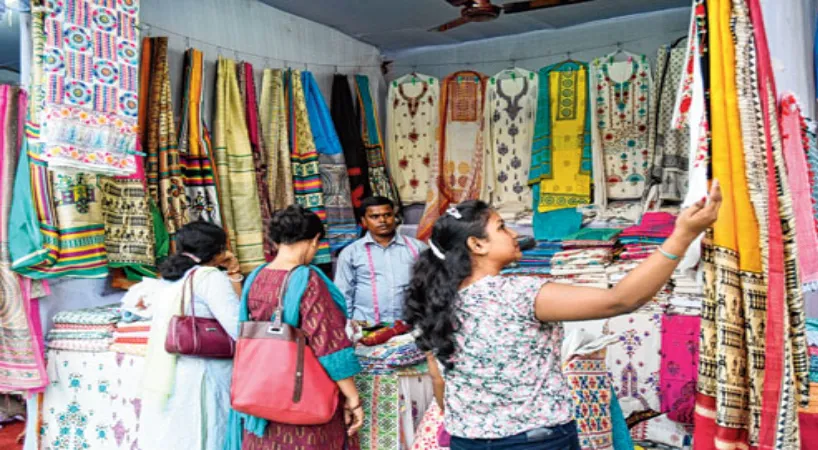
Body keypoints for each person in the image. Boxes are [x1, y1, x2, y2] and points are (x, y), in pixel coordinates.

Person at [405, 182, 723, 450]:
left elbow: (439, 380)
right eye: (501, 227)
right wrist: (682, 236)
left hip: (467, 441)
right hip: (535, 442)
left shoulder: (432, 304)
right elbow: (620, 300)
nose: (513, 233)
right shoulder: (518, 294)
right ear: (477, 245)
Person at [234, 205, 364, 450]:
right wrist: (353, 397)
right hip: (303, 397)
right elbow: (329, 346)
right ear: (314, 240)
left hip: (263, 392)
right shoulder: (307, 279)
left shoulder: (256, 276)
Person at [140, 221, 243, 450]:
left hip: (175, 372)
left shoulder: (171, 278)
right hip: (204, 372)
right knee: (206, 434)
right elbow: (238, 327)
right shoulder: (209, 277)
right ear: (218, 251)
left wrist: (232, 271)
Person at [335, 196, 426, 326]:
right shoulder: (351, 253)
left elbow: (430, 287)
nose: (382, 220)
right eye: (375, 216)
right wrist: (348, 326)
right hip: (365, 325)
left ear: (395, 217)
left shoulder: (418, 248)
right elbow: (343, 294)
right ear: (364, 221)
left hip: (408, 324)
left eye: (387, 215)